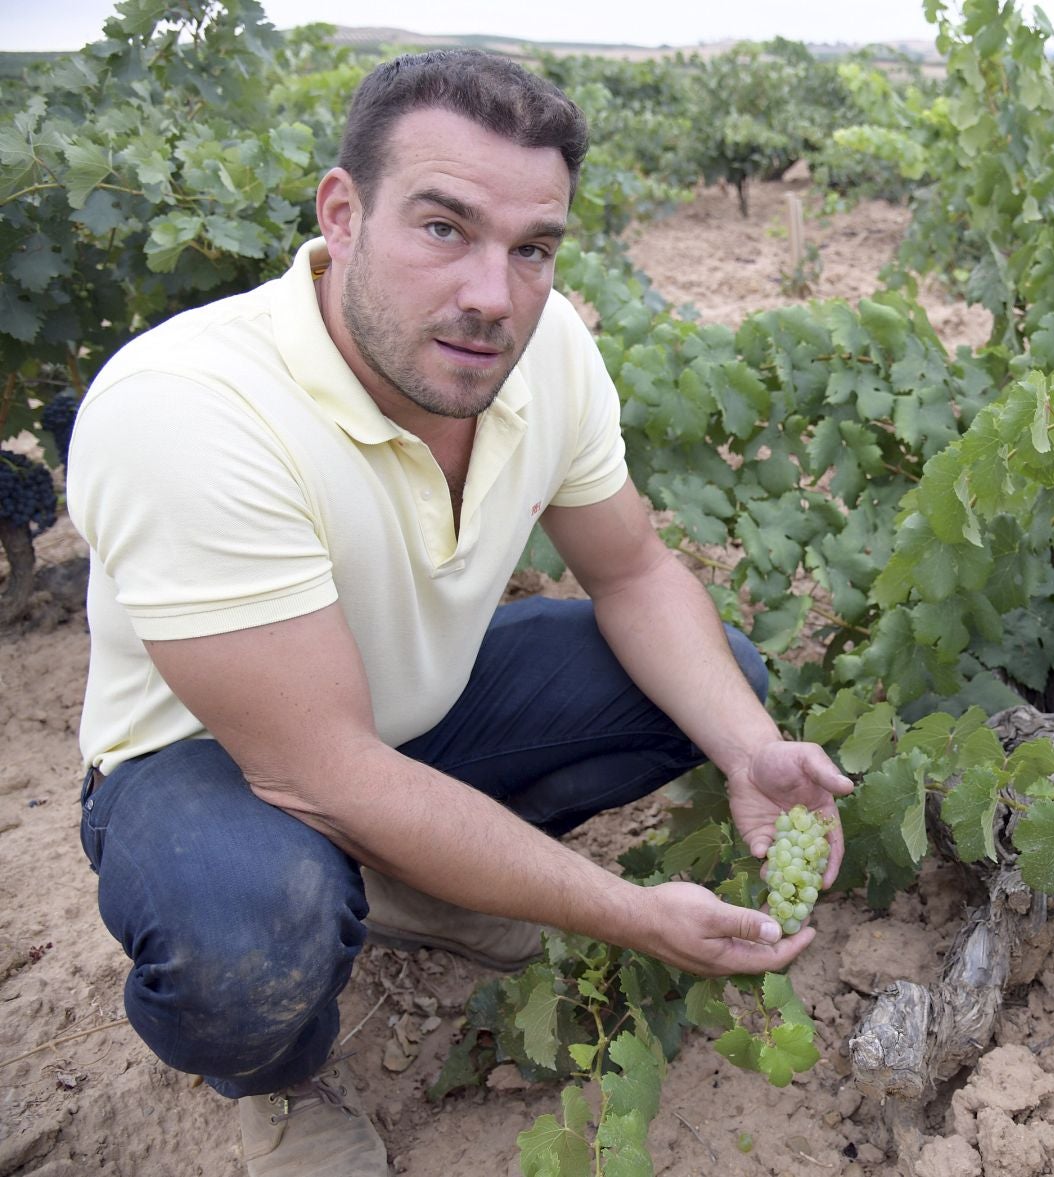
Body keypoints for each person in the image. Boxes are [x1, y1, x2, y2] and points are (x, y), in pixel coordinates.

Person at [66, 50, 852, 1176]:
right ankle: (274, 1078)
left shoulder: (547, 350)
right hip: (214, 766)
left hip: (399, 721)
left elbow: (630, 572)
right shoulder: (189, 410)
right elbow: (321, 772)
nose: (494, 293)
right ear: (343, 212)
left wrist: (751, 752)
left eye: (532, 248)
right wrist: (626, 911)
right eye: (444, 228)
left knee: (719, 679)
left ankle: (409, 877)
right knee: (254, 924)